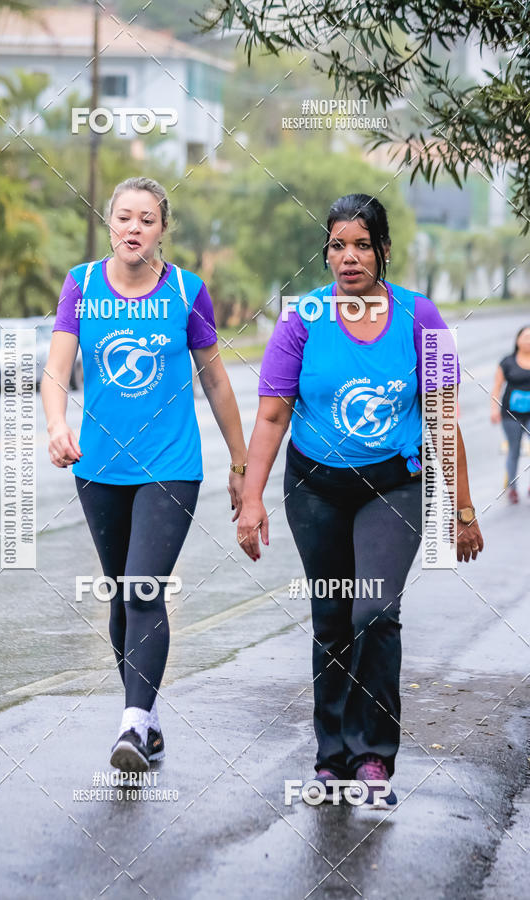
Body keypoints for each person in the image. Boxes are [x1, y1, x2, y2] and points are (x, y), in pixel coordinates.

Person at [236, 193, 483, 809]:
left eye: (362, 245)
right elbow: (271, 416)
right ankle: (332, 758)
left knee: (373, 611)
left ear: (384, 251)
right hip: (314, 487)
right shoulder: (302, 320)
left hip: (395, 484)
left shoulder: (421, 318)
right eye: (338, 245)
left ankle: (373, 754)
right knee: (331, 619)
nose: (349, 257)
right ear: (326, 253)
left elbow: (444, 419)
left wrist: (463, 508)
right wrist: (250, 498)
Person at [41, 176, 248, 774]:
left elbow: (214, 381)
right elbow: (58, 367)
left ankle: (130, 724)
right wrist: (56, 425)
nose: (134, 228)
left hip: (171, 464)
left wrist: (240, 464)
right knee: (119, 590)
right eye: (124, 217)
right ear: (110, 222)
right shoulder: (80, 285)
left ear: (163, 229)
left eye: (147, 219)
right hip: (100, 466)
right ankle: (147, 719)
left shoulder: (187, 290)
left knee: (142, 586)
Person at [490, 325, 530, 503]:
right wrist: (494, 409)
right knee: (513, 450)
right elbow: (497, 387)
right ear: (517, 340)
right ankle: (512, 488)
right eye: (525, 336)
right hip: (510, 415)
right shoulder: (507, 362)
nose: (528, 340)